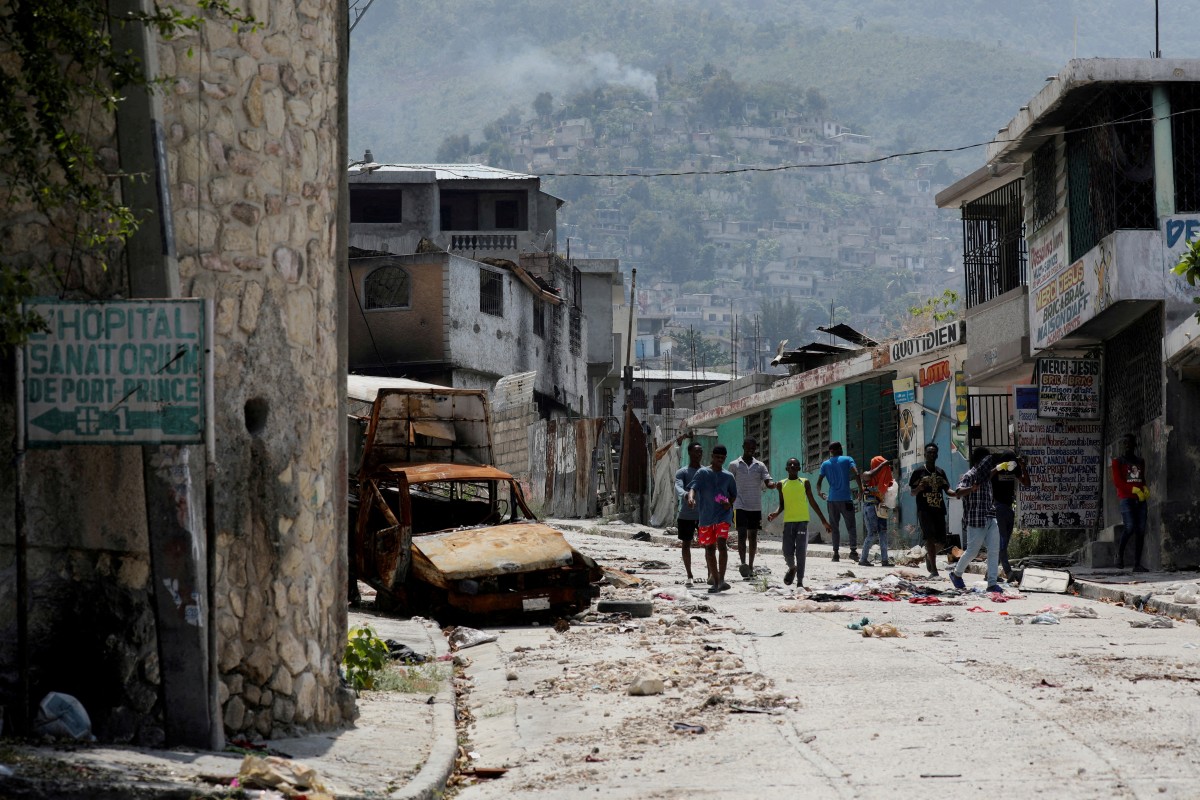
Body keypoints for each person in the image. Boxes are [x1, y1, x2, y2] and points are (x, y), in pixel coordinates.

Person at [767, 457, 830, 587]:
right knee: (786, 550)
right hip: (788, 522)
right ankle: (792, 568)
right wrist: (775, 513)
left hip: (802, 522)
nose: (792, 466)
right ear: (786, 468)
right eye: (790, 465)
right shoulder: (781, 484)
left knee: (801, 552)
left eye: (795, 465)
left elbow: (812, 502)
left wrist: (824, 521)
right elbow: (782, 504)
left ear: (798, 468)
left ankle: (800, 582)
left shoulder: (804, 482)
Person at [948, 447, 1003, 593]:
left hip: (990, 516)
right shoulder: (970, 475)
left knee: (994, 550)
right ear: (980, 461)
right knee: (972, 552)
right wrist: (971, 489)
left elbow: (989, 474)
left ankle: (992, 583)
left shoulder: (985, 475)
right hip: (976, 519)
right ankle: (956, 574)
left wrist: (998, 468)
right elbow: (958, 492)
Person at [687, 444, 738, 594]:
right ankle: (715, 581)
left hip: (723, 515)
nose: (719, 460)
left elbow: (733, 494)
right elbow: (693, 488)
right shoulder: (703, 473)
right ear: (712, 457)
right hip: (706, 516)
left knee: (722, 545)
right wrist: (691, 498)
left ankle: (721, 579)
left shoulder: (728, 476)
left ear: (725, 459)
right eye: (717, 457)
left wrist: (729, 503)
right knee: (710, 549)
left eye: (722, 458)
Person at [908, 443, 959, 577]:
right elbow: (912, 492)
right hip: (925, 510)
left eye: (934, 452)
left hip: (939, 509)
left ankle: (930, 556)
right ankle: (934, 571)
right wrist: (919, 488)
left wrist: (957, 493)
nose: (931, 455)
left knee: (942, 541)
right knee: (929, 539)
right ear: (924, 455)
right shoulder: (919, 472)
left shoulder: (940, 472)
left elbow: (947, 489)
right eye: (929, 452)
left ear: (937, 455)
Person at [728, 436, 775, 578]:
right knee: (741, 535)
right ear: (743, 447)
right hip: (739, 504)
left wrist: (775, 485)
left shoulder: (760, 466)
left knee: (753, 536)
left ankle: (751, 565)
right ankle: (743, 564)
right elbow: (729, 484)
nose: (750, 450)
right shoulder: (734, 465)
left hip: (755, 506)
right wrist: (728, 504)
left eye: (753, 448)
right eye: (748, 447)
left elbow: (768, 481)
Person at [816, 442, 863, 562]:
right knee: (851, 526)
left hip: (832, 500)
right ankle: (853, 551)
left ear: (831, 451)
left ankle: (836, 554)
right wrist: (861, 489)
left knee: (834, 527)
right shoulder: (847, 459)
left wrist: (819, 492)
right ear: (838, 450)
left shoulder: (825, 464)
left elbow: (819, 481)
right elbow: (856, 472)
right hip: (846, 499)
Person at [1111, 434, 1149, 572]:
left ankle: (1137, 564)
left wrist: (1144, 488)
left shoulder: (1140, 461)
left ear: (1134, 444)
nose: (1126, 445)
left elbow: (1141, 479)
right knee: (1130, 527)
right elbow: (1118, 482)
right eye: (1124, 443)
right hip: (1126, 498)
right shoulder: (1117, 462)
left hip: (1140, 500)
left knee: (1140, 530)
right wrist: (1134, 490)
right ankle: (1119, 554)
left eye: (1129, 443)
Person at [991, 450, 1030, 579]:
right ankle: (1008, 572)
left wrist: (1023, 468)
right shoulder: (997, 469)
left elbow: (1026, 483)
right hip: (999, 508)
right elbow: (986, 477)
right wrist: (999, 467)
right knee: (1001, 543)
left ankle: (990, 573)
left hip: (1009, 508)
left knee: (1004, 543)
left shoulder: (1014, 469)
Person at [674, 441, 704, 586]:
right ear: (690, 453)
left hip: (704, 515)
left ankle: (711, 574)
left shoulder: (705, 472)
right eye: (696, 451)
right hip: (686, 514)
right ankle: (689, 575)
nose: (698, 454)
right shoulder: (683, 472)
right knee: (686, 544)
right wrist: (687, 496)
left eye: (700, 452)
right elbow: (678, 488)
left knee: (709, 544)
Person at [859, 455, 894, 567]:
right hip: (870, 507)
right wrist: (883, 465)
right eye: (880, 464)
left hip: (881, 507)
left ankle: (885, 560)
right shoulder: (866, 474)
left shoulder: (882, 479)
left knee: (883, 533)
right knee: (872, 533)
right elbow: (870, 475)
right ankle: (863, 559)